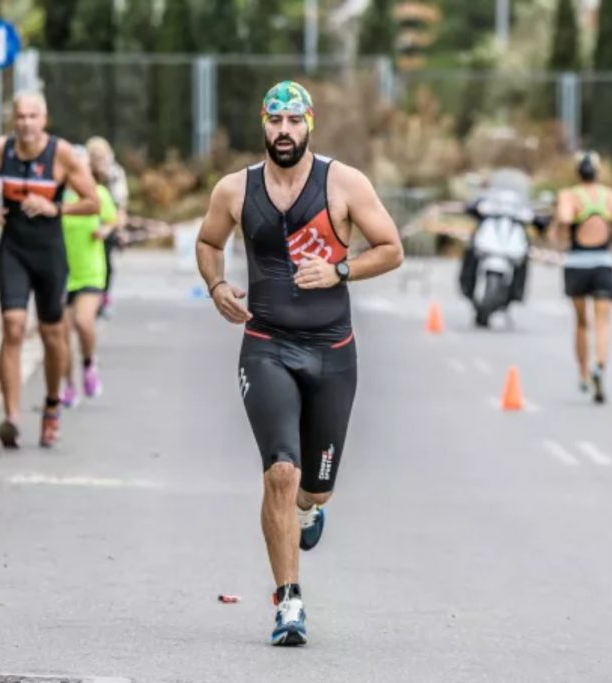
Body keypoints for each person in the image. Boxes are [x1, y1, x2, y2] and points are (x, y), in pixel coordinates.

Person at [196, 81, 403, 646]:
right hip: (265, 344)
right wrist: (216, 285)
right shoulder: (235, 190)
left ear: (309, 124)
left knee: (314, 487)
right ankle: (289, 601)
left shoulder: (344, 184)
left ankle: (312, 509)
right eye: (274, 121)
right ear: (262, 125)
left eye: (293, 121)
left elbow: (391, 247)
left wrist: (339, 271)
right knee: (280, 473)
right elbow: (208, 241)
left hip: (333, 351)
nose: (283, 131)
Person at [0, 92, 100, 448]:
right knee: (12, 326)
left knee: (52, 333)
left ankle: (52, 405)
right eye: (20, 117)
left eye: (32, 116)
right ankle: (11, 416)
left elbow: (92, 202)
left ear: (44, 119)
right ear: (14, 120)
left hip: (49, 252)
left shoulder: (61, 154)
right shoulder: (0, 150)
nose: (25, 123)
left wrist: (54, 208)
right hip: (12, 248)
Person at [553, 151, 612, 404]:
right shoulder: (611, 197)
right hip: (603, 264)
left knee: (581, 323)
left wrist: (563, 224)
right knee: (602, 323)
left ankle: (583, 373)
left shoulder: (569, 195)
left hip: (576, 263)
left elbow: (564, 220)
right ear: (598, 172)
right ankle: (600, 365)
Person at [60, 145, 118, 406]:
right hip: (61, 271)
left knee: (83, 322)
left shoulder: (98, 193)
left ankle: (88, 364)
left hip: (90, 271)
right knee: (60, 335)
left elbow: (113, 219)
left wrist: (105, 231)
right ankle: (68, 385)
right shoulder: (59, 195)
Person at [85, 137, 129, 319]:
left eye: (101, 157)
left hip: (108, 222)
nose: (98, 161)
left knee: (106, 264)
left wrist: (113, 228)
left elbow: (120, 206)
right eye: (94, 157)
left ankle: (102, 299)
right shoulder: (82, 171)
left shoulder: (115, 173)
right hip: (85, 224)